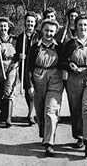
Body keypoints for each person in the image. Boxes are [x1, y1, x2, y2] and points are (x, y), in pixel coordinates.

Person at [62, 14, 87, 157]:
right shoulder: (70, 43)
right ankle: (79, 136)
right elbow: (61, 61)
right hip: (75, 78)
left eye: (85, 25)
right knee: (76, 108)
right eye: (80, 25)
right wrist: (69, 65)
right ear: (75, 26)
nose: (83, 27)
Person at [27, 19, 64, 157]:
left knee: (51, 110)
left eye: (52, 31)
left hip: (55, 78)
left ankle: (49, 143)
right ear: (42, 30)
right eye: (46, 30)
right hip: (38, 78)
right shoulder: (35, 47)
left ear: (56, 32)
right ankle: (43, 131)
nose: (49, 33)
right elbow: (28, 68)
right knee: (40, 110)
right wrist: (29, 85)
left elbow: (64, 63)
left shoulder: (59, 47)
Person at [0, 17, 18, 127]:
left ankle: (8, 118)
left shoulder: (15, 40)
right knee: (0, 91)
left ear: (8, 27)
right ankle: (3, 112)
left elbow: (19, 54)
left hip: (11, 66)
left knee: (9, 91)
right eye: (1, 26)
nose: (3, 28)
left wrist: (16, 63)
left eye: (5, 26)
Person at [16, 11, 39, 125]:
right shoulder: (21, 37)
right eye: (28, 21)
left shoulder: (39, 35)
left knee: (35, 89)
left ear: (35, 23)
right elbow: (17, 52)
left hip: (36, 65)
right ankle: (30, 111)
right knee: (27, 89)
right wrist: (19, 55)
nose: (30, 24)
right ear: (25, 23)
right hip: (24, 66)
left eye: (32, 22)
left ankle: (32, 113)